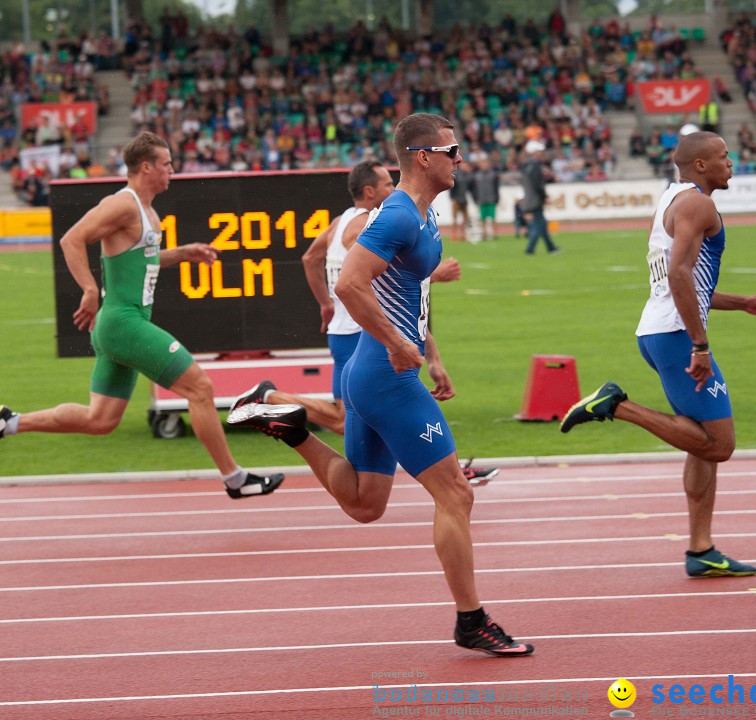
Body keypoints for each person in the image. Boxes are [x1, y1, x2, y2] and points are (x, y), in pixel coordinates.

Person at [228, 113, 533, 656]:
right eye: (452, 150)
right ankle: (472, 620)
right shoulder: (397, 215)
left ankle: (293, 429)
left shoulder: (422, 215)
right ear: (423, 156)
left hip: (374, 372)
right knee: (455, 493)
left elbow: (408, 294)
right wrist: (396, 345)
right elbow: (348, 284)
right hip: (385, 376)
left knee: (366, 504)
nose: (460, 158)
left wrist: (428, 352)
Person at [0, 131, 284, 500]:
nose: (172, 170)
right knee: (201, 388)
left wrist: (181, 253)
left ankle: (10, 422)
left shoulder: (148, 212)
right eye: (166, 164)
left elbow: (139, 260)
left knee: (99, 421)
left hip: (118, 327)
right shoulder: (122, 204)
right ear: (146, 167)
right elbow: (71, 239)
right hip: (123, 322)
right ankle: (235, 478)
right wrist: (88, 289)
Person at [560, 131, 756, 577]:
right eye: (723, 157)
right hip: (677, 336)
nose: (731, 163)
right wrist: (700, 344)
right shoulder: (699, 204)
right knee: (719, 445)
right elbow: (680, 274)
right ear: (700, 165)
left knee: (700, 443)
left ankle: (701, 550)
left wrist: (742, 303)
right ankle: (616, 405)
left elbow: (683, 283)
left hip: (659, 331)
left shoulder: (670, 199)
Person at [231, 159, 499, 486]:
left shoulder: (339, 223)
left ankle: (450, 471)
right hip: (363, 337)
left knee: (364, 479)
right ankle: (272, 400)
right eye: (387, 184)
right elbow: (378, 281)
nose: (393, 188)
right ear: (370, 191)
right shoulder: (364, 226)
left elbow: (310, 259)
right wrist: (433, 273)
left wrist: (325, 304)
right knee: (348, 418)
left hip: (349, 332)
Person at [520, 140, 560, 255]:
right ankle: (530, 249)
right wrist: (544, 196)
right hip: (535, 199)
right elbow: (537, 184)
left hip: (529, 198)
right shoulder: (535, 165)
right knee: (539, 224)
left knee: (541, 223)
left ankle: (551, 247)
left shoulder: (526, 165)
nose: (541, 153)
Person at [470, 154, 500, 242]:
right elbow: (474, 189)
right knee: (483, 219)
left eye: (486, 163)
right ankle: (484, 233)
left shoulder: (493, 175)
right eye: (483, 164)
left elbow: (496, 187)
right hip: (481, 200)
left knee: (493, 218)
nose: (484, 165)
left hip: (491, 199)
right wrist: (475, 198)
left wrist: (497, 198)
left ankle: (495, 234)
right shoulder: (476, 176)